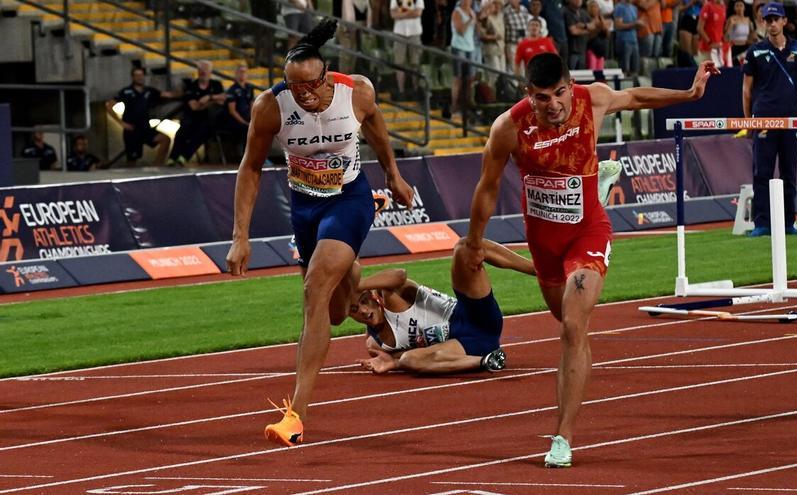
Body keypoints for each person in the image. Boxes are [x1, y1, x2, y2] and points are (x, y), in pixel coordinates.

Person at [462, 52, 718, 468]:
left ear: (570, 85)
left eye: (560, 93)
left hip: (588, 231)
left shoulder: (591, 99)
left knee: (573, 327)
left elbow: (635, 97)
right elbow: (487, 187)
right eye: (543, 98)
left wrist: (689, 94)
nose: (555, 105)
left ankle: (562, 437)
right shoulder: (509, 127)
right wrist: (474, 240)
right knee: (562, 318)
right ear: (530, 94)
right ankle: (595, 184)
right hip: (544, 243)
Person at [225, 18, 415, 447]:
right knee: (331, 311)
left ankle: (295, 414)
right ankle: (353, 274)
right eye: (295, 88)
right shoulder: (270, 106)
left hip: (350, 201)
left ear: (325, 77)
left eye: (311, 86)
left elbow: (377, 131)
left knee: (313, 290)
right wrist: (241, 236)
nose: (304, 96)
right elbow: (250, 168)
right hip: (305, 208)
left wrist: (393, 175)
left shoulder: (357, 92)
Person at [351, 240, 535, 374]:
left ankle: (541, 271)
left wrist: (355, 286)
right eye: (354, 309)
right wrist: (394, 363)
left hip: (473, 315)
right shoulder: (375, 344)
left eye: (364, 301)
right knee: (409, 360)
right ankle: (487, 361)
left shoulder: (390, 295)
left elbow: (399, 274)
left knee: (465, 248)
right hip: (464, 347)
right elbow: (418, 356)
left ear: (373, 297)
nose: (363, 311)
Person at [742, 2, 797, 237]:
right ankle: (761, 224)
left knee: (789, 172)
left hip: (792, 121)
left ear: (784, 21)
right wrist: (748, 122)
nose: (771, 23)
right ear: (763, 22)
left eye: (775, 19)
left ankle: (788, 222)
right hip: (763, 121)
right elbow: (746, 90)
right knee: (762, 172)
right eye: (767, 19)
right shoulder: (755, 52)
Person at [106, 67, 175, 167]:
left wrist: (185, 93)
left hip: (145, 128)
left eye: (141, 75)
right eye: (137, 75)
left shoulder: (149, 91)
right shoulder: (126, 91)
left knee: (165, 139)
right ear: (133, 77)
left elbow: (167, 95)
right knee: (132, 160)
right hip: (132, 130)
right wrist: (121, 123)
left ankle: (157, 166)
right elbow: (109, 105)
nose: (139, 77)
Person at [167, 61, 226, 166]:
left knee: (203, 131)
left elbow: (223, 99)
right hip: (192, 117)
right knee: (183, 130)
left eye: (206, 70)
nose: (203, 72)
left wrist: (209, 97)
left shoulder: (216, 85)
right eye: (201, 70)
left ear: (210, 72)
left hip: (210, 119)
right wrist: (212, 102)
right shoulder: (192, 86)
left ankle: (184, 157)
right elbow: (194, 107)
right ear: (198, 71)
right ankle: (172, 157)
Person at [390, 0, 424, 98]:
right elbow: (393, 14)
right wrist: (410, 12)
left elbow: (418, 13)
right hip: (399, 33)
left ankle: (416, 89)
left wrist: (401, 12)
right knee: (399, 64)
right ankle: (401, 91)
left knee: (415, 63)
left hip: (415, 33)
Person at [223, 64, 257, 160]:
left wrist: (252, 119)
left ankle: (260, 156)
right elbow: (232, 111)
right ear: (236, 74)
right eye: (240, 72)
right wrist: (245, 123)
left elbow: (252, 105)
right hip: (235, 120)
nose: (242, 74)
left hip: (247, 117)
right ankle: (247, 157)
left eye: (244, 72)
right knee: (246, 129)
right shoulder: (232, 90)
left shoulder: (250, 88)